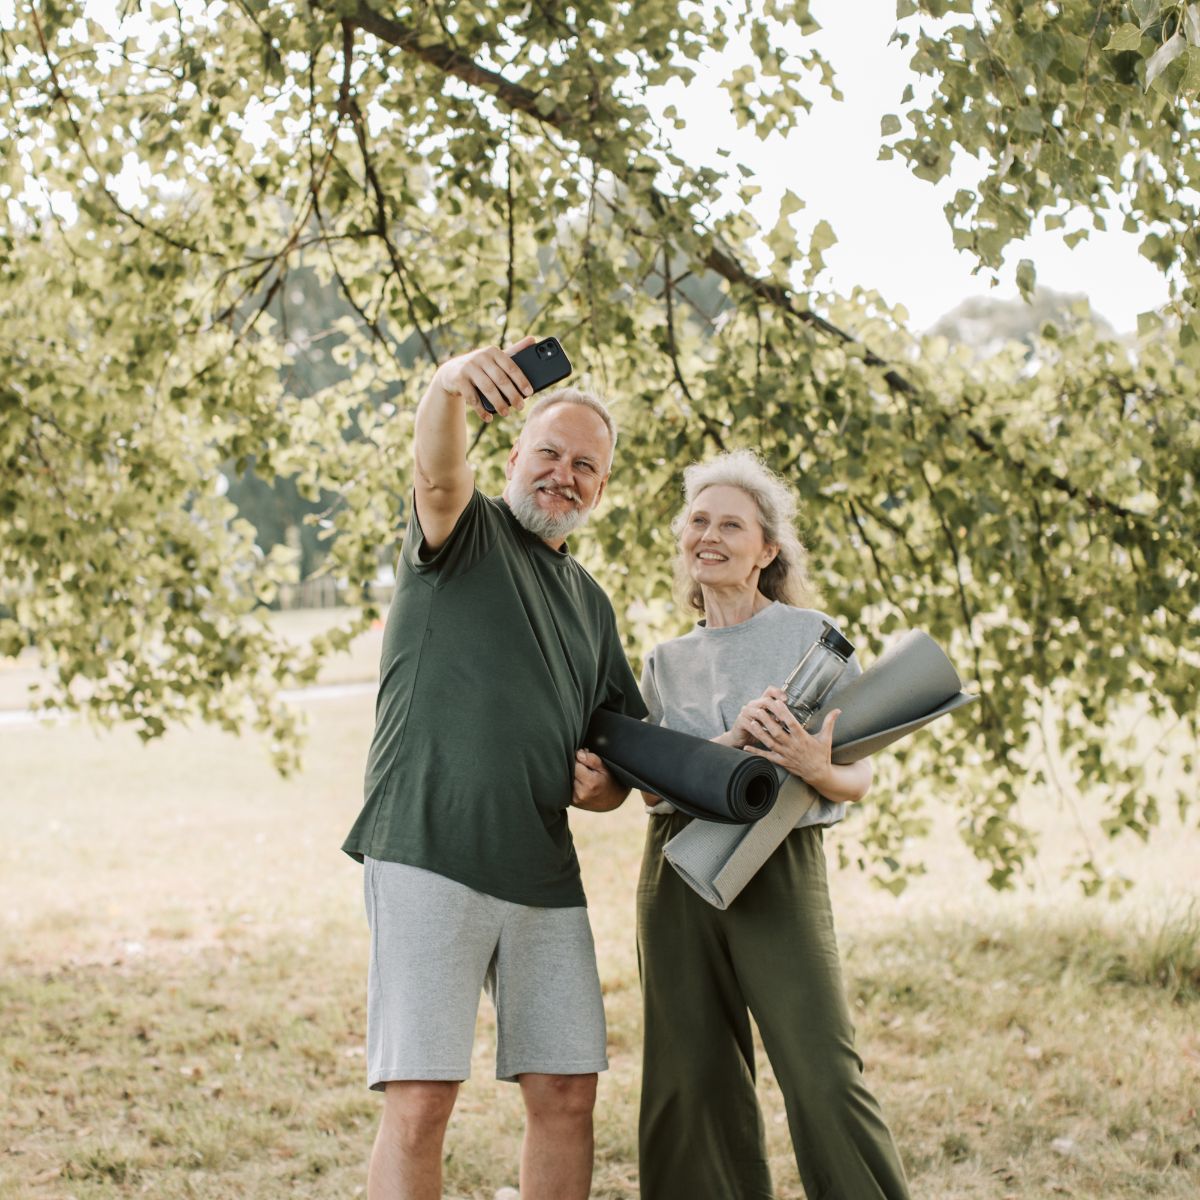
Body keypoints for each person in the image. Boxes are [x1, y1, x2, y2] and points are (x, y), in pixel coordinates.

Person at [342, 337, 646, 1200]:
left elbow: (618, 753)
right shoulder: (462, 530)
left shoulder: (591, 604)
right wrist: (448, 387)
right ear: (512, 458)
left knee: (567, 1093)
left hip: (542, 871)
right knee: (420, 1103)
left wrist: (607, 787)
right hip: (428, 850)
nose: (563, 475)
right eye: (549, 453)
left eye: (585, 466)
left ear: (600, 489)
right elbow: (437, 473)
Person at [636, 449, 911, 1200]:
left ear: (766, 550)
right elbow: (650, 797)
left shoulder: (811, 637)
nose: (710, 536)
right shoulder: (664, 661)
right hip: (677, 867)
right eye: (698, 521)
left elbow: (858, 776)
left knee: (822, 1071)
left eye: (732, 525)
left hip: (779, 862)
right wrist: (722, 749)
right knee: (690, 1077)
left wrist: (812, 763)